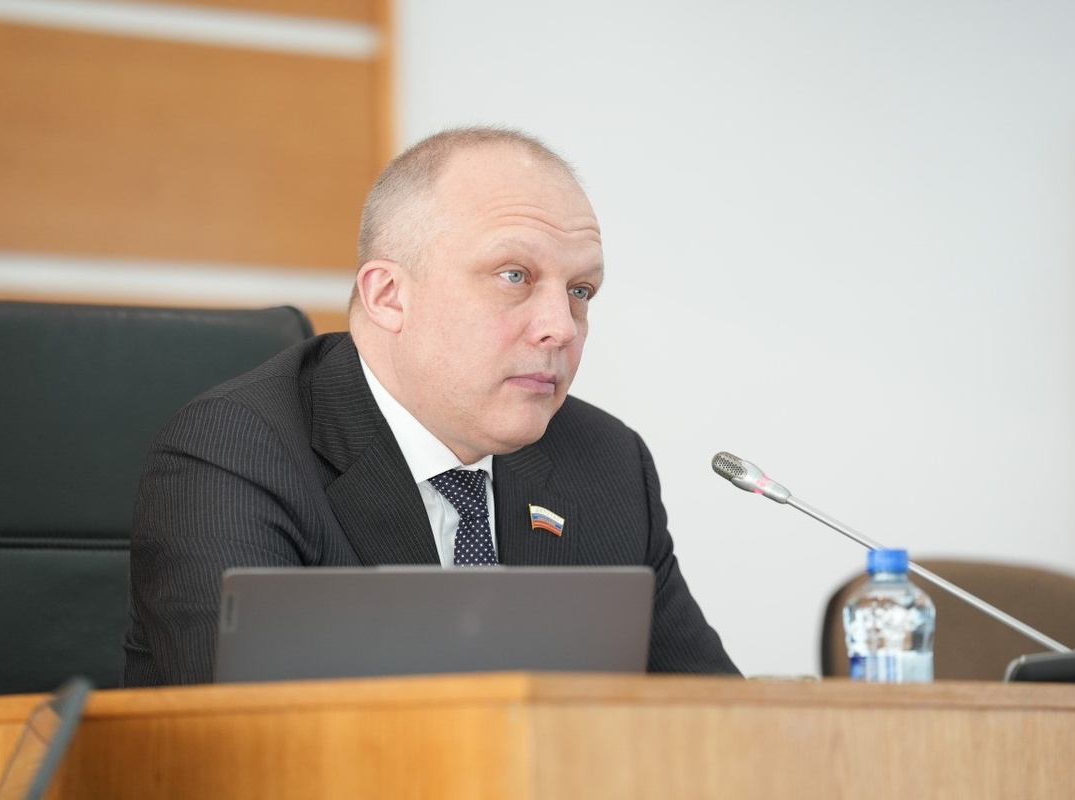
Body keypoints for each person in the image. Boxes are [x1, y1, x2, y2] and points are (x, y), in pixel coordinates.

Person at [122, 126, 738, 686]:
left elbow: (713, 719)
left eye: (580, 290)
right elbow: (256, 744)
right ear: (389, 295)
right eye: (515, 276)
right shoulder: (234, 455)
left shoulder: (606, 463)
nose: (561, 326)